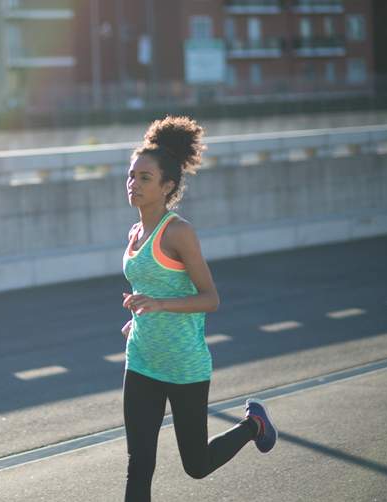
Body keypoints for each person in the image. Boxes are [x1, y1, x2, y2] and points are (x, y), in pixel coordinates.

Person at [120, 116, 277, 502]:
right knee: (139, 465)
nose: (133, 184)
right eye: (131, 175)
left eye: (144, 178)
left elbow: (210, 298)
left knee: (197, 464)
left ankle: (253, 424)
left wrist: (159, 304)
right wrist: (137, 316)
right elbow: (149, 288)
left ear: (167, 185)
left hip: (184, 366)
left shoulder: (178, 232)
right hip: (141, 360)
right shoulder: (135, 233)